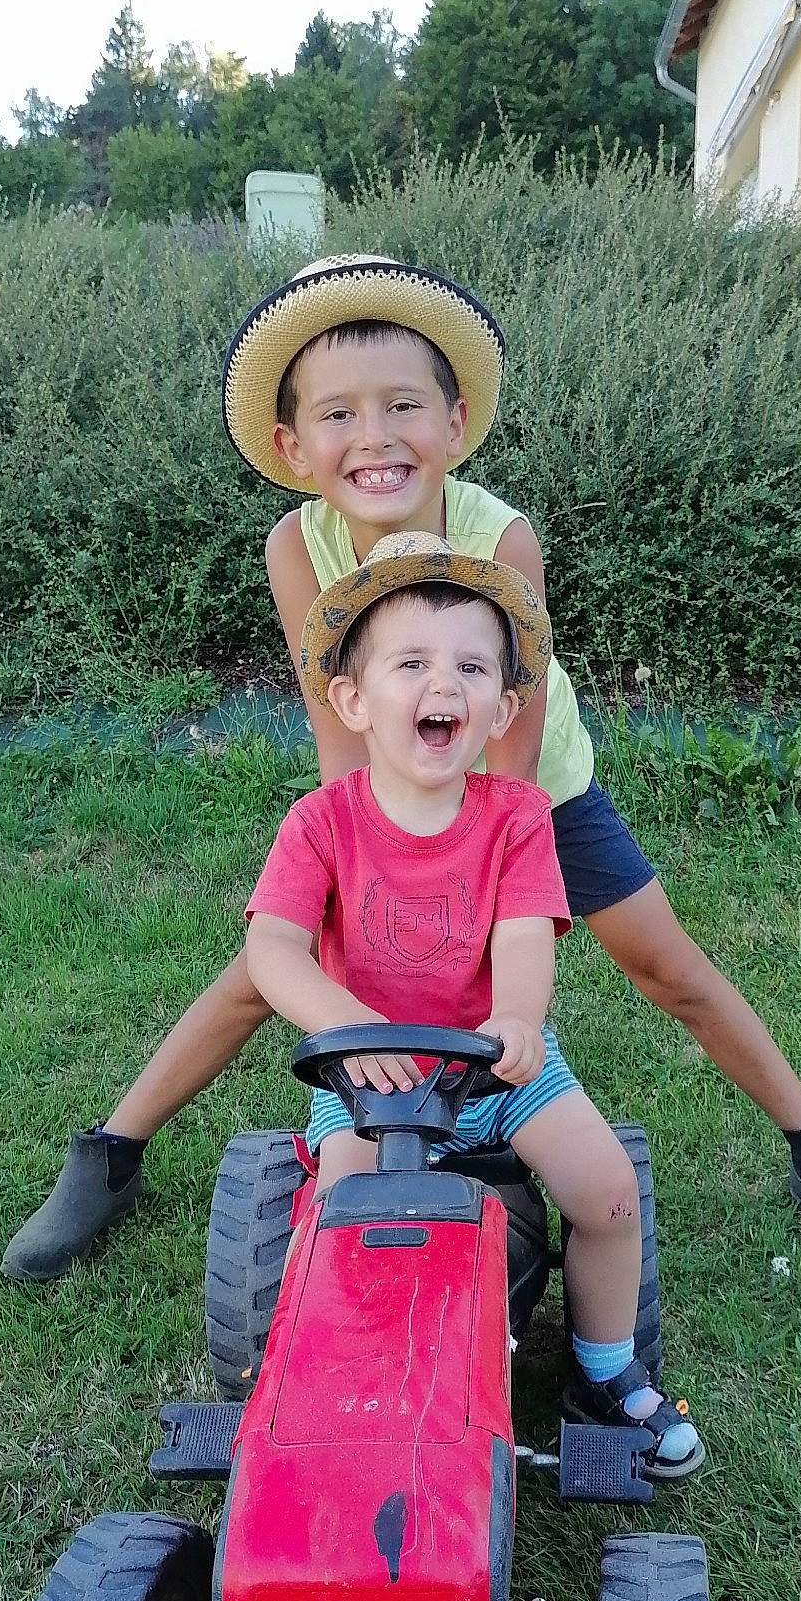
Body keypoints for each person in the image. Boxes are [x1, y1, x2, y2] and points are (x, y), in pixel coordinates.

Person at [4, 255, 801, 1281]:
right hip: (388, 789)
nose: (374, 435)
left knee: (665, 964)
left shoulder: (499, 535)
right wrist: (360, 838)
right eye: (338, 413)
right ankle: (110, 1151)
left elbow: (510, 725)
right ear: (293, 445)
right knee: (271, 968)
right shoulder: (297, 547)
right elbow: (330, 712)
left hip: (527, 787)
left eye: (402, 405)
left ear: (456, 421)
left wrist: (476, 848)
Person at [243, 528, 702, 1475]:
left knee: (610, 1193)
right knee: (346, 1224)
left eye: (471, 666)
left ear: (501, 706)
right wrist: (346, 1025)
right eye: (411, 661)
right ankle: (346, 1380)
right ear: (353, 698)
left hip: (495, 1069)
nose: (441, 684)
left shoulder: (516, 818)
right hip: (367, 1074)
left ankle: (604, 1371)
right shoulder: (321, 824)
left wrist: (519, 1020)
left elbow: (523, 933)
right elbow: (272, 949)